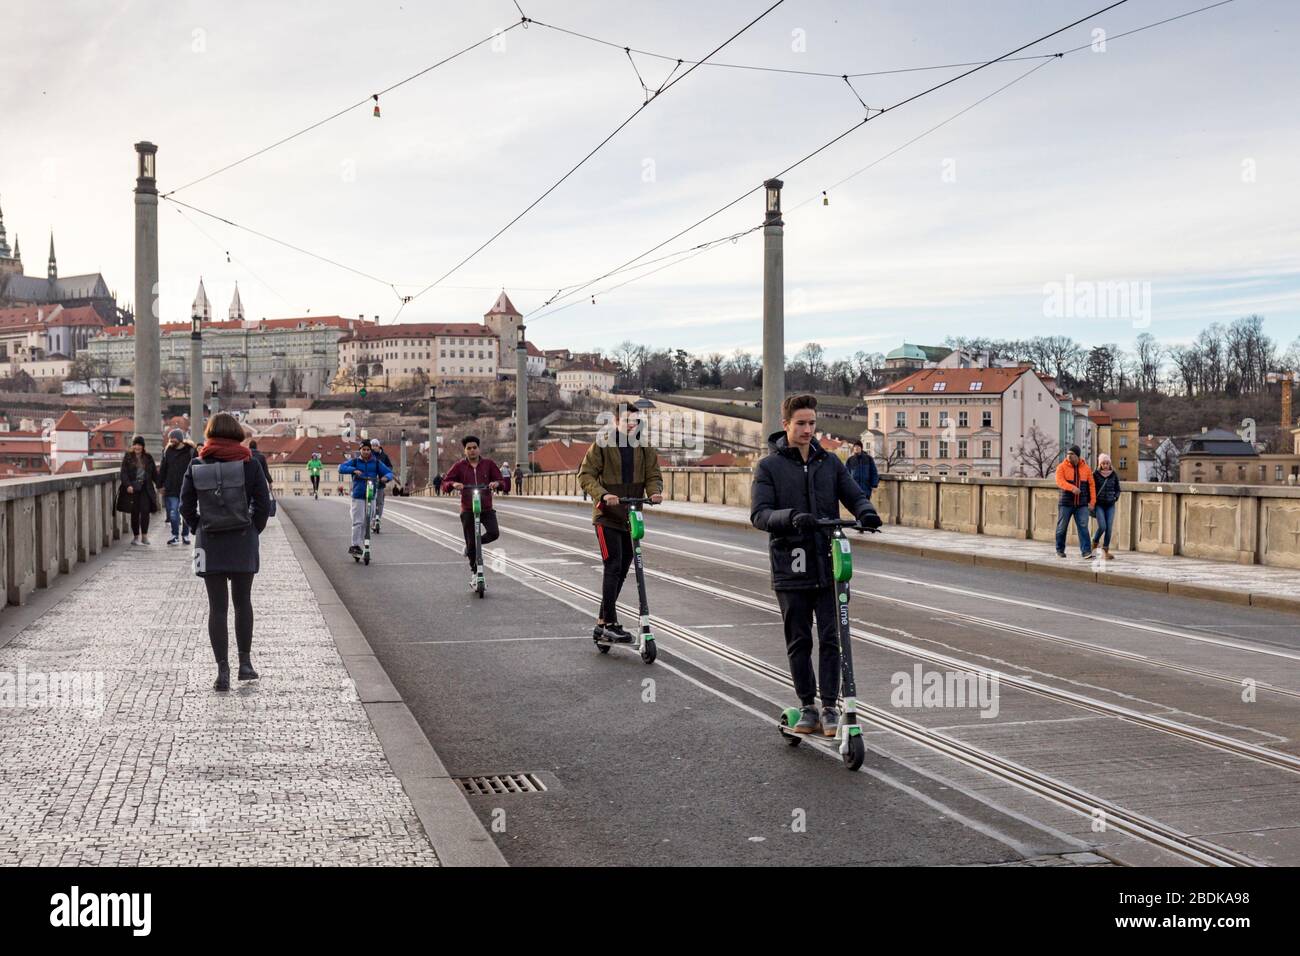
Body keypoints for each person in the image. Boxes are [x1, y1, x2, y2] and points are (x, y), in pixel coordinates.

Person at [751, 394, 881, 737]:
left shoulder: (830, 463)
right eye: (801, 424)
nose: (808, 430)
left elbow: (852, 494)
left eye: (812, 424)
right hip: (790, 563)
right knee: (799, 640)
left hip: (828, 562)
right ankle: (807, 704)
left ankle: (830, 706)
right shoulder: (769, 467)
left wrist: (864, 511)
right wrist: (792, 518)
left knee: (831, 638)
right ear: (786, 425)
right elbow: (759, 514)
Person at [180, 412, 272, 692]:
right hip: (243, 541)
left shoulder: (197, 463)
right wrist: (252, 529)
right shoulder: (250, 463)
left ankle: (223, 671)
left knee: (217, 608)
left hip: (210, 543)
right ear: (237, 434)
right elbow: (263, 504)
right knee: (243, 603)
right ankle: (245, 663)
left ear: (209, 434)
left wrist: (201, 528)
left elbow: (185, 505)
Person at [577, 405, 663, 642]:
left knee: (624, 567)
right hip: (606, 515)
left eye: (635, 421)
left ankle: (602, 622)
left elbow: (653, 475)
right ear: (616, 421)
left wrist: (654, 492)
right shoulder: (602, 444)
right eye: (626, 420)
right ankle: (611, 623)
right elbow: (585, 475)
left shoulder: (644, 448)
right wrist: (603, 494)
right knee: (613, 565)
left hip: (630, 514)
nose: (631, 425)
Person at [443, 436, 508, 589]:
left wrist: (496, 483)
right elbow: (445, 482)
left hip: (485, 506)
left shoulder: (489, 464)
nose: (472, 450)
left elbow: (502, 482)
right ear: (465, 450)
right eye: (469, 448)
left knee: (494, 533)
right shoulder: (459, 466)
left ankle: (472, 545)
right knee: (471, 540)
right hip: (468, 508)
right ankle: (475, 573)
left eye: (474, 447)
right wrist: (454, 484)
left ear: (479, 449)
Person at [338, 442, 395, 556]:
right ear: (360, 450)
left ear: (371, 451)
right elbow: (341, 468)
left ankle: (365, 544)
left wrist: (385, 477)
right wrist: (353, 470)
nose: (366, 451)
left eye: (368, 449)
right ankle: (355, 545)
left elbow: (389, 472)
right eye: (363, 449)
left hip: (371, 495)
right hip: (358, 496)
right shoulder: (355, 461)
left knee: (367, 522)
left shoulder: (376, 463)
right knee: (358, 521)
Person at [1054, 444, 1096, 559]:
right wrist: (1072, 488)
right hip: (1065, 503)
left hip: (1081, 504)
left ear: (1077, 456)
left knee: (1083, 526)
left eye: (1071, 454)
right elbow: (1059, 481)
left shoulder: (1086, 468)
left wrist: (1092, 502)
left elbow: (1092, 486)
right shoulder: (1061, 467)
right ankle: (1059, 550)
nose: (1069, 456)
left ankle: (1086, 552)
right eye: (1068, 454)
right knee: (1062, 527)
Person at [116, 436, 159, 545]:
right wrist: (128, 485)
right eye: (135, 444)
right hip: (133, 489)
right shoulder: (128, 457)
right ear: (133, 445)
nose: (137, 447)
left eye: (139, 445)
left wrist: (160, 485)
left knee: (145, 512)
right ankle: (136, 537)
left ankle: (144, 536)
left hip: (146, 488)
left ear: (143, 446)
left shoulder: (148, 457)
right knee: (134, 513)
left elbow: (154, 473)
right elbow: (123, 473)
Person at [156, 428, 196, 545]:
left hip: (187, 487)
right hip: (171, 487)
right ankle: (175, 535)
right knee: (173, 512)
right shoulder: (167, 451)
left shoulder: (191, 451)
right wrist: (160, 485)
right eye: (170, 439)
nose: (171, 441)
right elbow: (163, 469)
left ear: (179, 439)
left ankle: (185, 535)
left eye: (173, 439)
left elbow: (196, 467)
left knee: (186, 512)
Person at [1091, 452, 1121, 560]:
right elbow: (1091, 488)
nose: (1105, 465)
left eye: (1107, 463)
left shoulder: (1114, 474)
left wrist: (1115, 497)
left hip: (1110, 505)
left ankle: (1105, 551)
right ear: (1100, 464)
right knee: (1102, 526)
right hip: (1099, 505)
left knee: (1109, 528)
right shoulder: (1095, 474)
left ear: (1110, 463)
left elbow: (1118, 488)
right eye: (1103, 463)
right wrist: (1092, 501)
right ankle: (1094, 541)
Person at [845, 440, 880, 533]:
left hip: (866, 488)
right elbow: (845, 475)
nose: (856, 448)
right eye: (855, 447)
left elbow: (874, 472)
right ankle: (860, 524)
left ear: (861, 448)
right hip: (855, 488)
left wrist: (874, 485)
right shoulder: (850, 460)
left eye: (858, 447)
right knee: (856, 507)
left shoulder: (868, 459)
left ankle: (866, 524)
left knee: (866, 506)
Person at [369, 439, 394, 531]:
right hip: (371, 483)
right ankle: (371, 519)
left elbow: (390, 467)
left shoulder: (384, 456)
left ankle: (378, 519)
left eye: (375, 446)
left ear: (379, 446)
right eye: (372, 446)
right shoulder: (369, 455)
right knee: (371, 501)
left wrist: (385, 476)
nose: (374, 448)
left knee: (380, 502)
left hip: (380, 483)